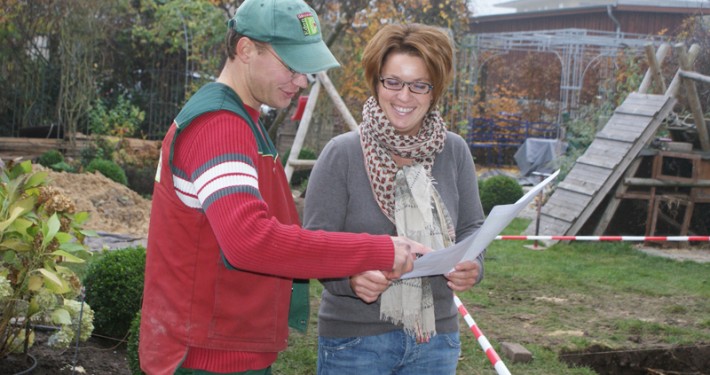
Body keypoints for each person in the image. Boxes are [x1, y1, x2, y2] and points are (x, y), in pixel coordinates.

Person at [138, 1, 431, 374]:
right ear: (246, 49)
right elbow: (250, 241)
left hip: (223, 345)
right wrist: (378, 250)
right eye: (291, 66)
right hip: (208, 356)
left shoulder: (243, 119)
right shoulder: (220, 127)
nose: (303, 80)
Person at [303, 23, 486, 375]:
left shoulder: (454, 151)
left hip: (435, 338)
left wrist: (474, 265)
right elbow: (314, 245)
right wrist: (350, 279)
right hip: (355, 342)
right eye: (393, 82)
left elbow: (473, 227)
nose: (404, 96)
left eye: (419, 85)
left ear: (435, 91)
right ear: (376, 83)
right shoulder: (342, 153)